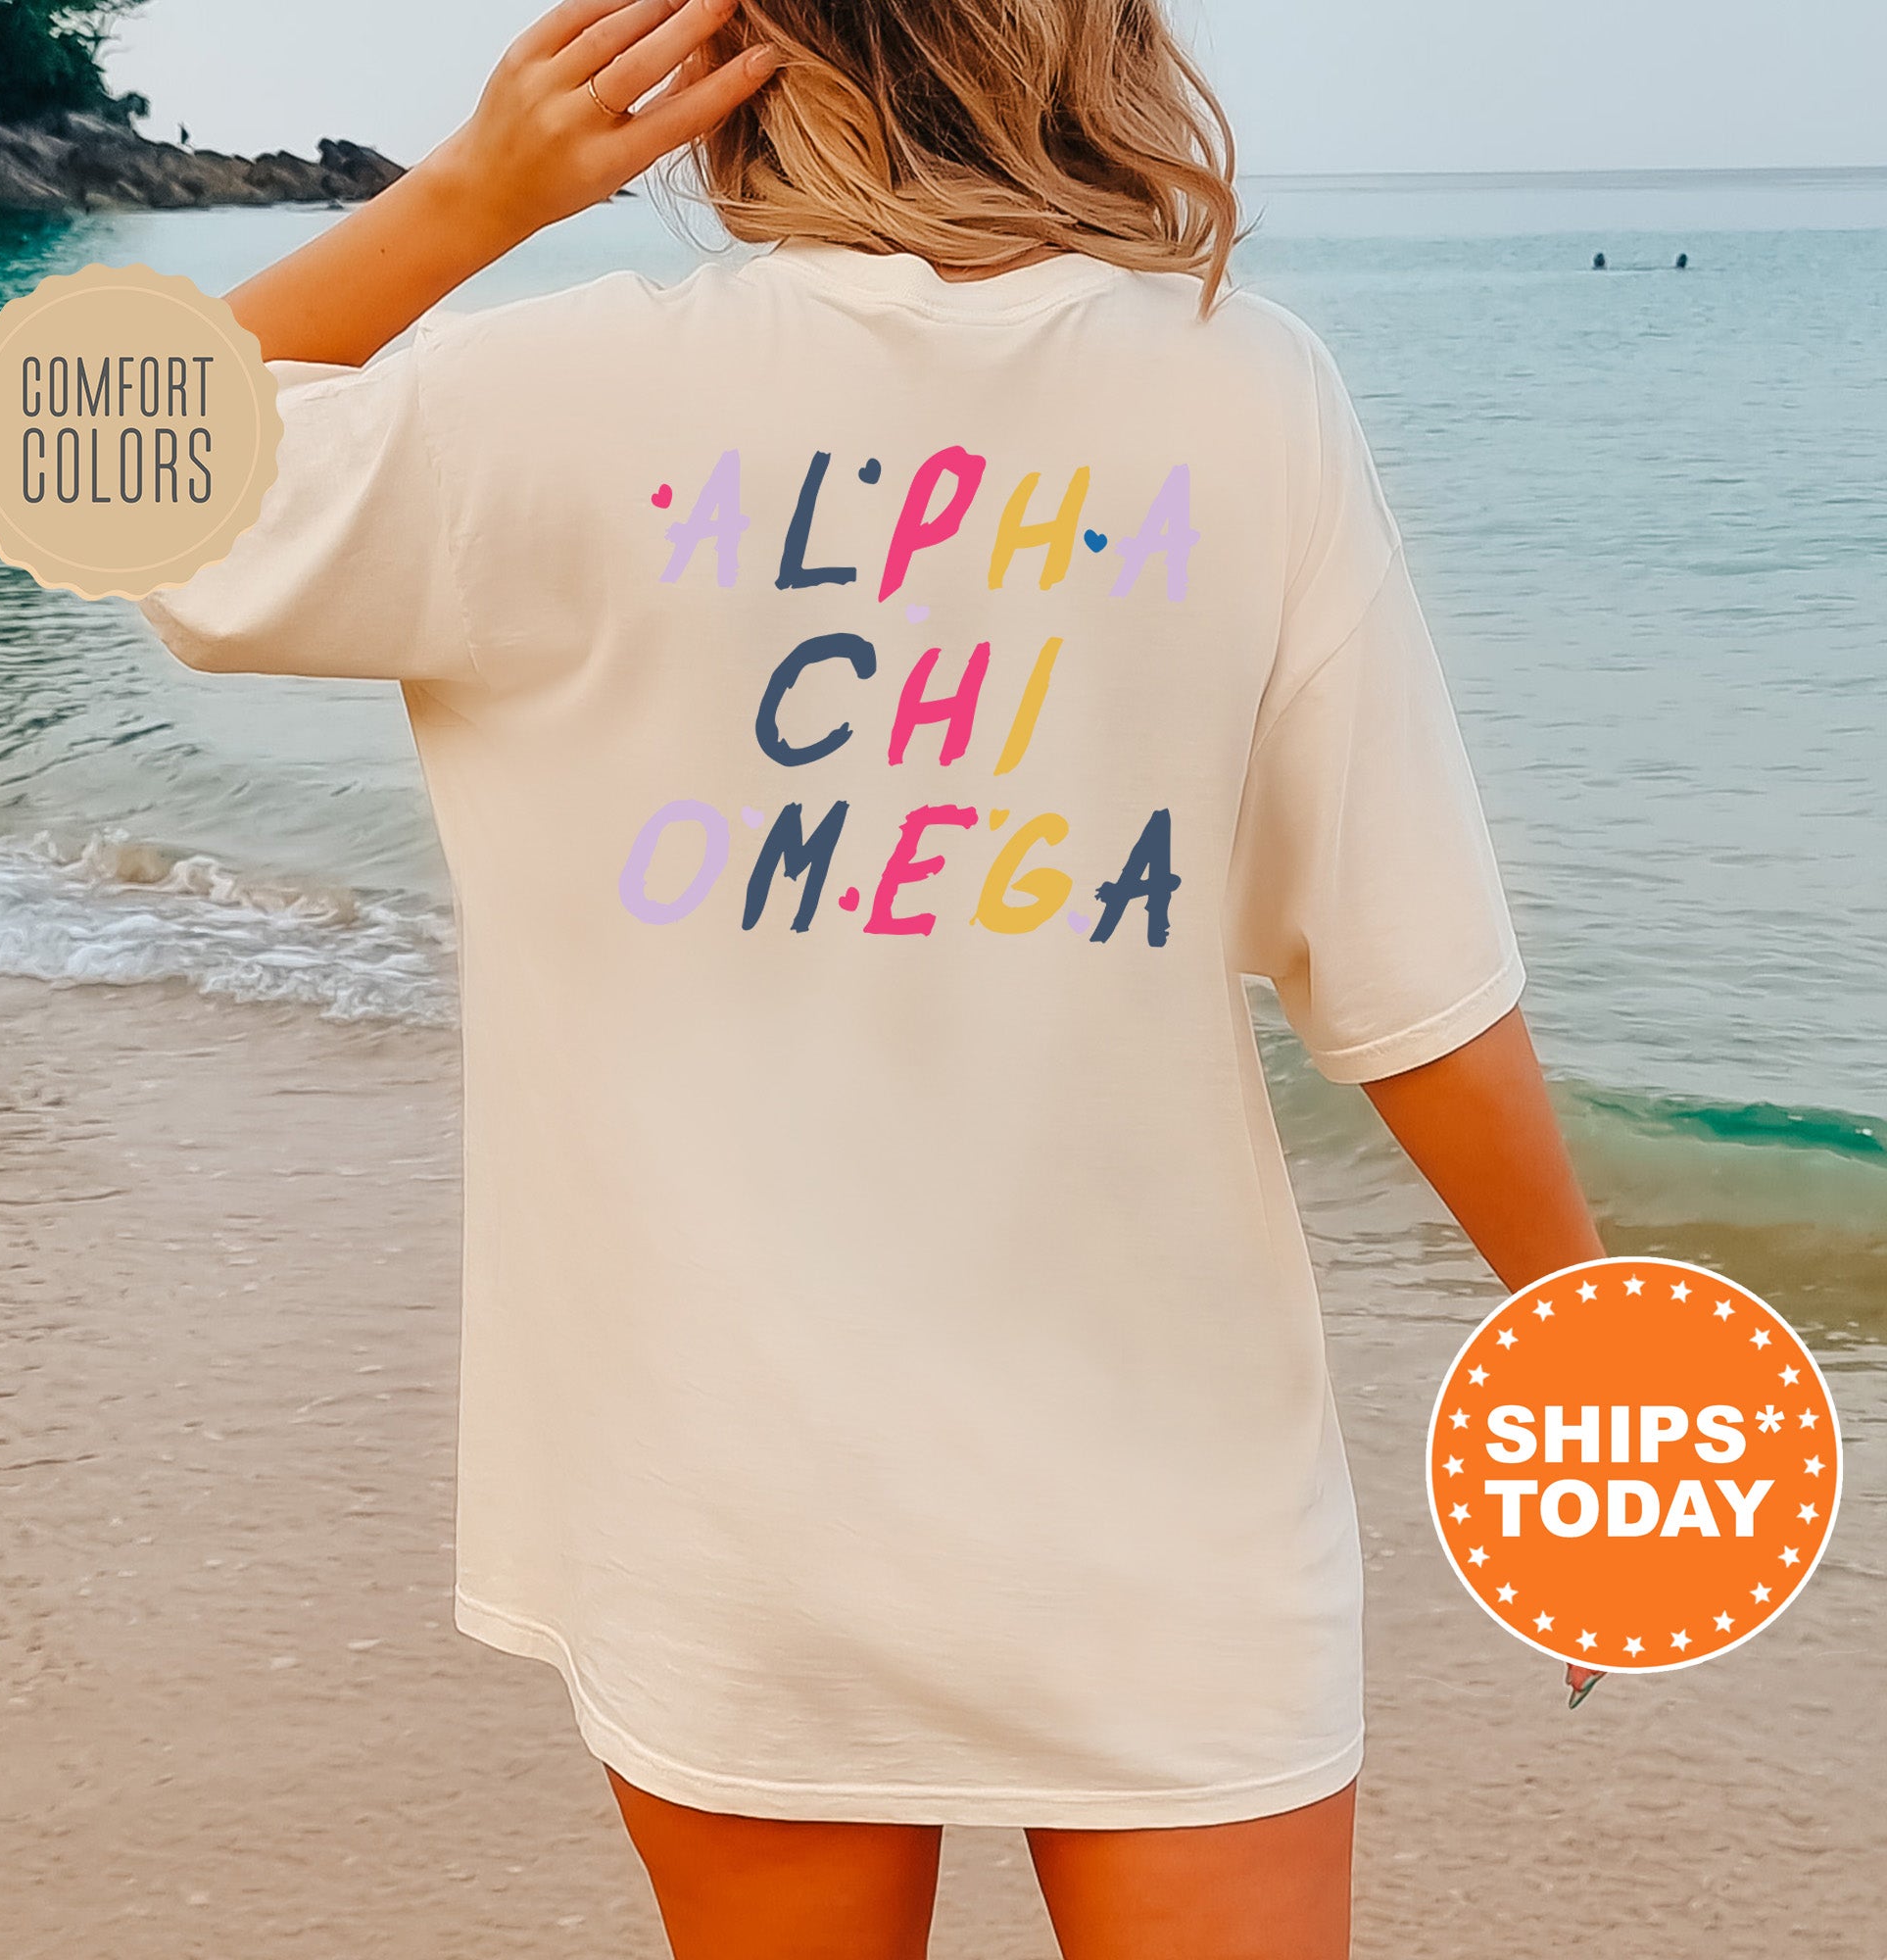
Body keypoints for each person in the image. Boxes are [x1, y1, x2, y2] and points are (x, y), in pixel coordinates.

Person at [136, 0, 1604, 1953]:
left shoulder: (559, 399)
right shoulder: (1243, 394)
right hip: (1164, 1518)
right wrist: (1590, 1365)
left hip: (729, 1505)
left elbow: (84, 457)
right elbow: (1404, 970)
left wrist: (468, 196)